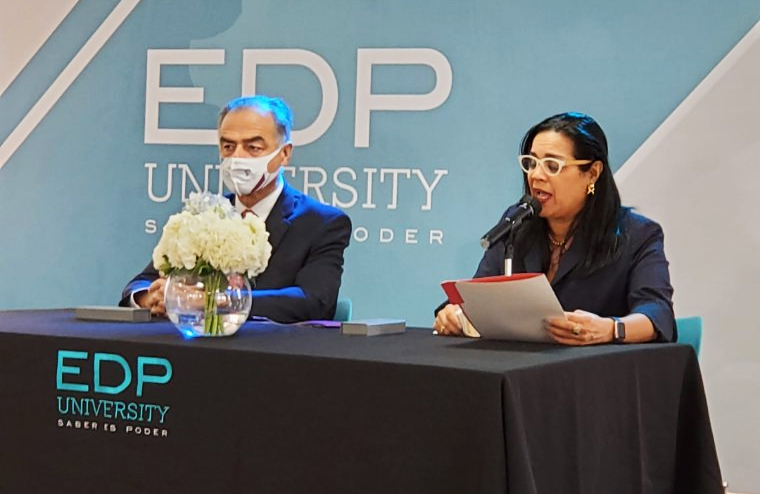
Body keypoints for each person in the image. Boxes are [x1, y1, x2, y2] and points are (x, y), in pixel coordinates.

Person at [434, 112, 675, 344]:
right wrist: (454, 314)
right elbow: (474, 299)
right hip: (521, 372)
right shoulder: (517, 223)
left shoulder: (638, 234)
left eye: (552, 165)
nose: (536, 175)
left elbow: (657, 313)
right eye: (531, 163)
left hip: (594, 375)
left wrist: (611, 329)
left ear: (592, 173)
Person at [120, 95, 352, 323]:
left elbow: (314, 301)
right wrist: (151, 296)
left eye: (253, 147)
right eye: (228, 146)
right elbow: (141, 282)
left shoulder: (322, 223)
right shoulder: (203, 215)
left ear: (284, 154)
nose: (237, 157)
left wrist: (216, 301)